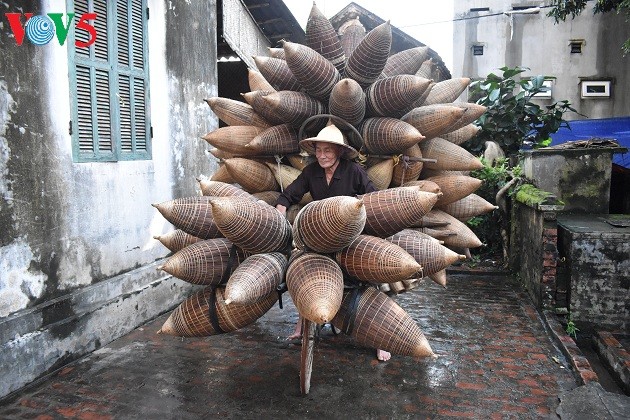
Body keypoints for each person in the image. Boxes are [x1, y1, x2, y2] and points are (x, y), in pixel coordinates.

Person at [275, 122, 392, 362]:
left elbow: (370, 199)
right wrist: (278, 215)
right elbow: (290, 194)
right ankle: (301, 326)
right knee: (305, 273)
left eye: (327, 151)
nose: (322, 155)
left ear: (338, 152)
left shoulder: (354, 172)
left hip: (350, 235)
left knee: (368, 281)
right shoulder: (311, 172)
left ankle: (380, 339)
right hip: (320, 235)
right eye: (318, 150)